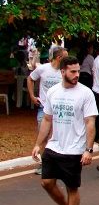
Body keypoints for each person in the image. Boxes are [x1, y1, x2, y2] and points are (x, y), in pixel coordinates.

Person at [31, 56, 97, 205]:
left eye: (78, 71)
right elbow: (47, 119)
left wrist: (88, 149)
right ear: (62, 72)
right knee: (46, 182)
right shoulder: (52, 92)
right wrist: (38, 143)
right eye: (73, 71)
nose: (77, 75)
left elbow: (90, 122)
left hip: (74, 149)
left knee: (72, 188)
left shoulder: (85, 93)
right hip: (54, 145)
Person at [27, 46, 67, 174]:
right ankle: (44, 164)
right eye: (65, 56)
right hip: (43, 108)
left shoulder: (64, 71)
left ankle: (53, 164)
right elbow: (30, 79)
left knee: (54, 137)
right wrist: (32, 96)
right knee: (43, 136)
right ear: (59, 57)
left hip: (59, 109)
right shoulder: (43, 68)